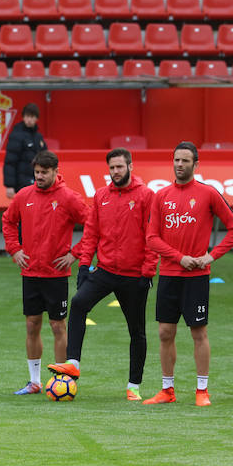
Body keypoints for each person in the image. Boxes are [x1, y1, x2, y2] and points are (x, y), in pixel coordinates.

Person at [47, 149, 157, 401]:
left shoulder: (146, 196)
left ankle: (133, 386)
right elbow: (91, 233)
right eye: (112, 168)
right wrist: (84, 266)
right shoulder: (100, 196)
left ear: (130, 166)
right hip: (105, 270)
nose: (116, 172)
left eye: (120, 167)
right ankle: (73, 362)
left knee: (136, 331)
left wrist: (147, 272)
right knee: (78, 303)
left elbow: (151, 236)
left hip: (134, 275)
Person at [143, 141, 233, 407]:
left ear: (196, 165)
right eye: (176, 160)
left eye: (185, 161)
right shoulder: (160, 196)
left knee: (198, 332)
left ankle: (202, 390)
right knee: (165, 332)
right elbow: (151, 238)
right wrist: (179, 257)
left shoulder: (208, 193)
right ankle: (167, 390)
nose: (179, 165)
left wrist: (211, 256)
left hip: (197, 278)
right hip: (169, 275)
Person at [1, 150, 89, 395]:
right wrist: (14, 249)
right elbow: (8, 221)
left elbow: (93, 224)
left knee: (57, 325)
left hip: (56, 274)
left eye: (44, 173)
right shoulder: (24, 195)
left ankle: (63, 381)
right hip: (30, 272)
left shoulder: (69, 198)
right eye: (36, 172)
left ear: (55, 172)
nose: (39, 177)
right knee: (31, 325)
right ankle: (35, 382)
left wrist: (75, 253)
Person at [3, 103, 47, 199]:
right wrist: (9, 185)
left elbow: (46, 160)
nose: (29, 120)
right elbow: (10, 162)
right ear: (23, 117)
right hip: (21, 184)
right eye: (27, 116)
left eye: (32, 117)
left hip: (38, 182)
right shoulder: (16, 135)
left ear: (36, 119)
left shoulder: (39, 137)